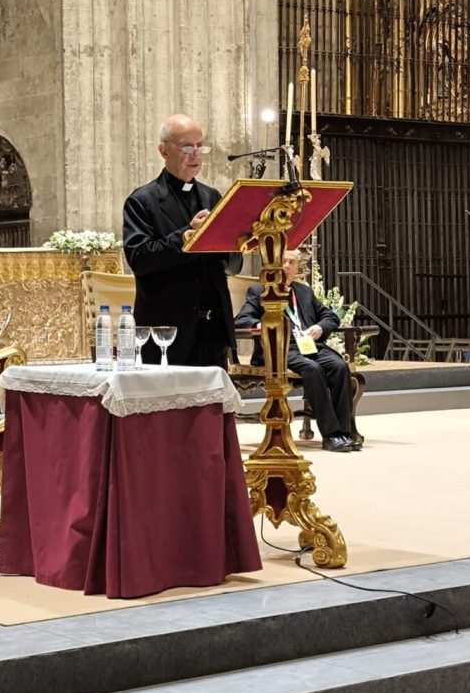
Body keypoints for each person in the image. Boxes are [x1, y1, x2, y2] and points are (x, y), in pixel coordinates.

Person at [122, 113, 240, 367]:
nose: (195, 154)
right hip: (167, 333)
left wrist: (237, 240)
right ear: (163, 150)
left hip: (213, 331)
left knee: (212, 406)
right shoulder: (142, 201)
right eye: (186, 146)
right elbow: (140, 258)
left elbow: (232, 265)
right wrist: (187, 235)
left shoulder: (213, 197)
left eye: (200, 146)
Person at [234, 249, 359, 453]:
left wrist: (320, 328)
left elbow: (331, 316)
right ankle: (331, 435)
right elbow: (241, 320)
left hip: (309, 345)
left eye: (292, 262)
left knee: (339, 366)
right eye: (282, 261)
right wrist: (265, 325)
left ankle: (344, 433)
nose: (286, 266)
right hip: (279, 349)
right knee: (313, 369)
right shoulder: (259, 291)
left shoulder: (303, 291)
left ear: (296, 268)